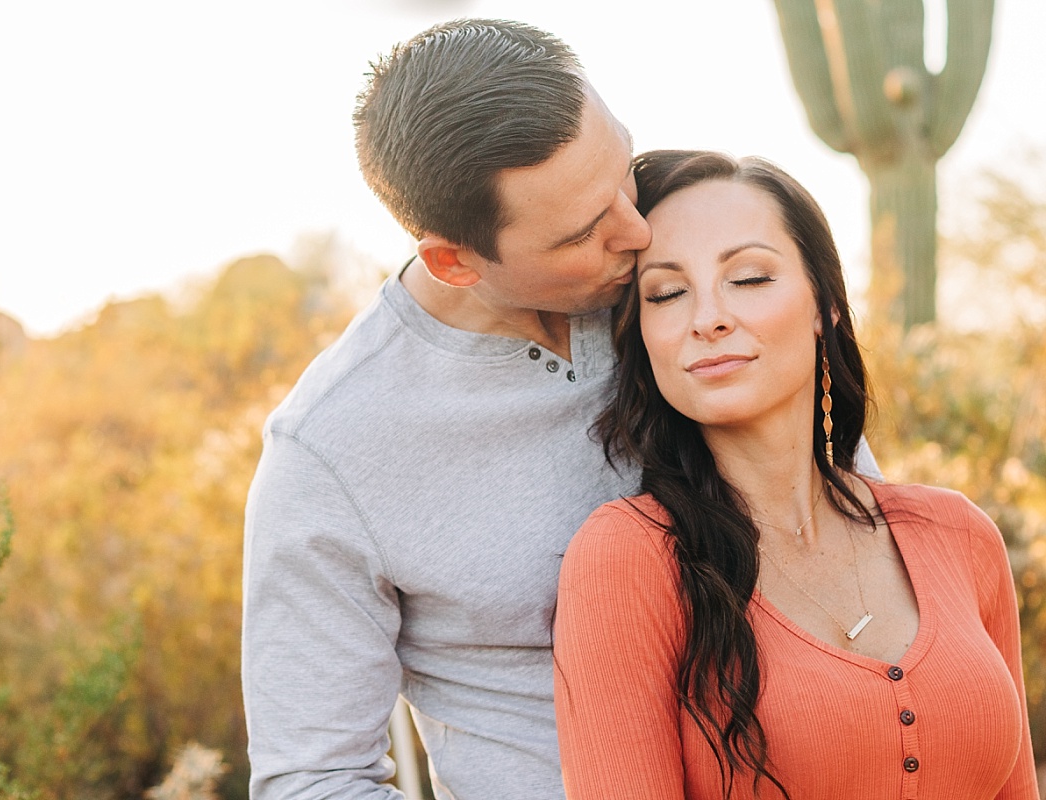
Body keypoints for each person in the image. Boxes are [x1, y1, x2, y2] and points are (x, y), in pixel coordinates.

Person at [241, 19, 879, 800]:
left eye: (621, 173)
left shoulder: (682, 280)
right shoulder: (332, 452)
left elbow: (853, 521)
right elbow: (313, 779)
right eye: (584, 231)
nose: (637, 230)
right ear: (455, 259)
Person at [552, 150, 1039, 799]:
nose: (708, 318)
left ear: (823, 306)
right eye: (667, 293)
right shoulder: (628, 559)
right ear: (643, 337)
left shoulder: (960, 535)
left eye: (749, 278)